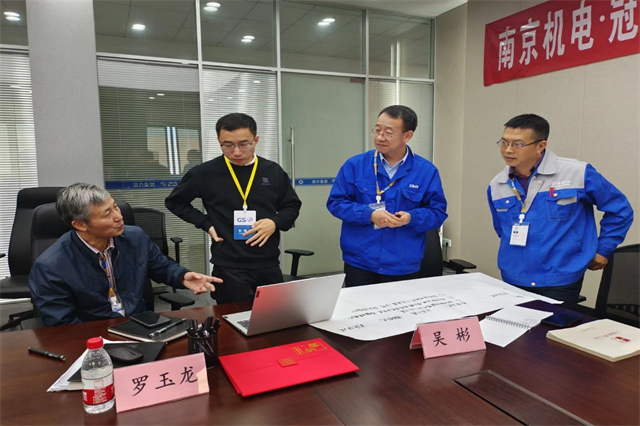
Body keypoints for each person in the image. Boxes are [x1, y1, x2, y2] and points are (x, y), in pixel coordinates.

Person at [488, 114, 633, 308]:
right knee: (515, 326)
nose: (508, 150)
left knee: (552, 327)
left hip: (561, 277)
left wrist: (603, 249)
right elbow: (502, 229)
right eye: (504, 142)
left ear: (541, 146)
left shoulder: (577, 173)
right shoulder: (497, 184)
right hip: (514, 276)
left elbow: (620, 210)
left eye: (518, 144)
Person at [28, 183, 221, 327]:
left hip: (141, 324)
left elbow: (161, 267)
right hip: (94, 335)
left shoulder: (135, 237)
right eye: (107, 214)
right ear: (80, 224)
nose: (119, 216)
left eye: (115, 206)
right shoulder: (51, 266)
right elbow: (63, 324)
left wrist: (182, 276)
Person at [165, 113, 301, 304]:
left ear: (256, 140)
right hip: (228, 264)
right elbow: (175, 202)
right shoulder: (205, 173)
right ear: (219, 141)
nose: (236, 152)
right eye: (227, 145)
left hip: (268, 262)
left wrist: (274, 222)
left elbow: (292, 205)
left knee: (274, 314)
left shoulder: (272, 171)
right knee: (232, 318)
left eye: (244, 144)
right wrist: (205, 223)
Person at [327, 105, 448, 287]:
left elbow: (437, 213)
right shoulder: (355, 165)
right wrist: (369, 214)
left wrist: (411, 217)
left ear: (407, 136)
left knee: (399, 306)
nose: (380, 137)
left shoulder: (426, 171)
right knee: (359, 305)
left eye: (388, 133)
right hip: (360, 261)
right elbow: (336, 203)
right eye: (377, 130)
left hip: (402, 264)